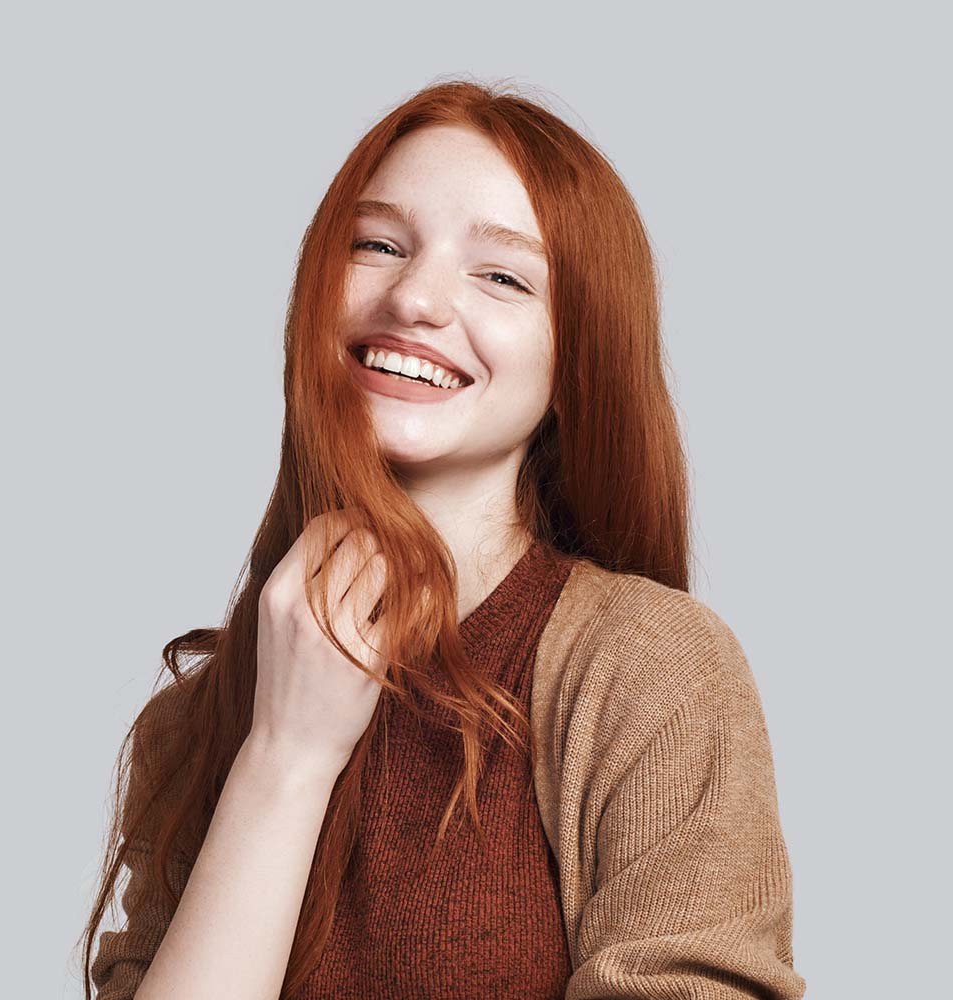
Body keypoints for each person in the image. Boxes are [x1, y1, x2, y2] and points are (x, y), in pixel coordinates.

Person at [79, 78, 806, 999]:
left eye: (502, 276)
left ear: (576, 359)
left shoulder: (648, 668)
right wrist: (284, 760)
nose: (414, 298)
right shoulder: (192, 726)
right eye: (377, 245)